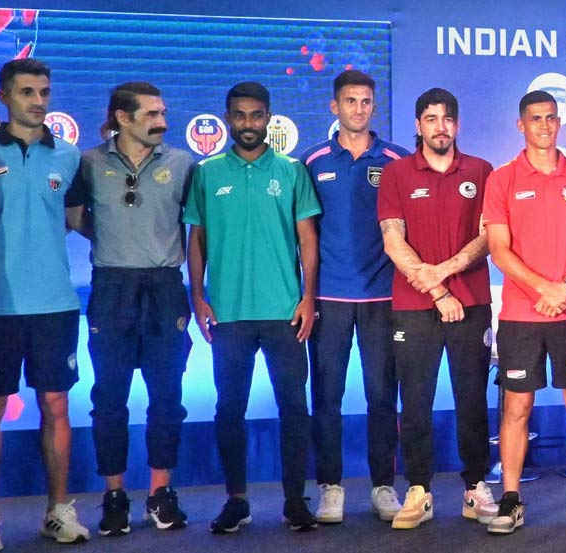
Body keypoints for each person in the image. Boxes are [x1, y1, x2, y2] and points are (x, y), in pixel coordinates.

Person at [184, 82, 321, 533]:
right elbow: (196, 240)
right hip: (228, 314)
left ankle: (294, 500)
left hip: (284, 312)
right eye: (240, 116)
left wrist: (308, 297)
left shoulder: (292, 170)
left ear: (269, 118)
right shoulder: (206, 173)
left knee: (294, 408)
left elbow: (307, 240)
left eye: (256, 115)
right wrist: (198, 296)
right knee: (229, 409)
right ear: (228, 119)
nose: (248, 124)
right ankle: (236, 499)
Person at [0, 59, 89, 549]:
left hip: (56, 304)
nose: (38, 101)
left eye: (43, 91)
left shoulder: (69, 156)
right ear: (4, 97)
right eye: (26, 92)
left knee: (57, 405)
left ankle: (57, 512)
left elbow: (78, 220)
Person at [68, 82, 194, 537]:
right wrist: (117, 243)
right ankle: (115, 497)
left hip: (164, 288)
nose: (162, 122)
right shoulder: (89, 162)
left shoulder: (182, 164)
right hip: (111, 287)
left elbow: (193, 227)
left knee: (167, 398)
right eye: (151, 114)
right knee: (108, 400)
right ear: (122, 118)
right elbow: (77, 220)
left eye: (163, 113)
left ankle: (161, 494)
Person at [482, 90, 566, 534]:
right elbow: (498, 249)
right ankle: (511, 500)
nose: (545, 126)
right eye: (536, 118)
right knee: (516, 405)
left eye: (551, 118)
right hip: (521, 312)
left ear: (559, 123)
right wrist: (543, 288)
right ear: (521, 124)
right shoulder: (502, 180)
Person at [377, 88, 498, 530]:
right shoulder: (396, 173)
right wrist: (436, 291)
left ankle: (475, 487)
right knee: (415, 402)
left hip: (471, 302)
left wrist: (444, 274)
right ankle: (418, 490)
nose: (440, 126)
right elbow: (393, 239)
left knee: (472, 399)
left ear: (458, 125)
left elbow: (489, 237)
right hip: (414, 305)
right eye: (431, 119)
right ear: (418, 125)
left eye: (447, 118)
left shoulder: (482, 171)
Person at [300, 70, 409, 524]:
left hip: (383, 297)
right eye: (350, 101)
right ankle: (330, 487)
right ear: (334, 107)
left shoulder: (397, 160)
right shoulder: (312, 161)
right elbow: (301, 233)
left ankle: (383, 485)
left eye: (366, 102)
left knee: (382, 395)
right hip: (329, 298)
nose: (359, 109)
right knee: (326, 396)